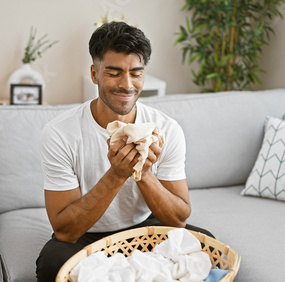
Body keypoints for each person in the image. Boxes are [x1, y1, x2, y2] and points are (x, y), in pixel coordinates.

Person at [36, 21, 213, 281]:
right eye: (114, 72)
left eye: (136, 73)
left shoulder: (166, 129)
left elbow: (178, 220)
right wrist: (117, 174)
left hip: (145, 229)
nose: (127, 85)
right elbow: (65, 232)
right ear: (95, 74)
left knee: (206, 247)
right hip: (86, 235)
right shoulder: (60, 134)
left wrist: (144, 172)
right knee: (52, 264)